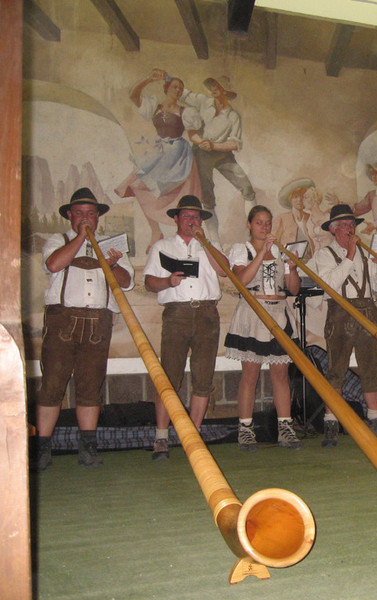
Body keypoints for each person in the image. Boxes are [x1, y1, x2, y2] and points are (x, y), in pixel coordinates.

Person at [35, 188, 134, 471]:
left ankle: (88, 448)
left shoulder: (112, 245)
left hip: (98, 322)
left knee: (91, 386)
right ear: (69, 215)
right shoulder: (58, 240)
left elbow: (126, 282)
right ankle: (42, 448)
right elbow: (54, 264)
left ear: (98, 216)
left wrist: (112, 264)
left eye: (91, 213)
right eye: (79, 213)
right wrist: (82, 237)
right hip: (62, 320)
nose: (85, 218)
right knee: (52, 385)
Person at [143, 195, 229, 460]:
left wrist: (205, 242)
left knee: (203, 377)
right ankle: (161, 437)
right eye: (187, 216)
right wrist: (168, 282)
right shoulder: (163, 246)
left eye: (196, 217)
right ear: (176, 219)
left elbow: (224, 271)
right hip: (176, 314)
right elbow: (148, 282)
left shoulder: (209, 245)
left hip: (207, 313)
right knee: (169, 376)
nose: (192, 221)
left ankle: (193, 436)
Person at [313, 204, 377, 447]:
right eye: (344, 225)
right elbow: (330, 285)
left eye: (352, 224)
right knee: (336, 370)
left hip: (368, 311)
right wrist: (350, 254)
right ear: (333, 229)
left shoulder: (364, 251)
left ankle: (376, 420)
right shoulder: (323, 254)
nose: (350, 229)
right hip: (340, 313)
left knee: (371, 368)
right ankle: (331, 424)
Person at [224, 205, 302, 450]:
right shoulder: (241, 249)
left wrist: (292, 269)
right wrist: (262, 253)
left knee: (280, 374)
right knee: (251, 373)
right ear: (249, 225)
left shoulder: (279, 250)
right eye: (259, 222)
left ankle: (285, 428)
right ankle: (245, 430)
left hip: (279, 312)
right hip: (253, 313)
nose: (265, 227)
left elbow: (293, 289)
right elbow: (241, 281)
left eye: (268, 222)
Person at [115, 68, 202, 253]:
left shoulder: (185, 112)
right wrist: (149, 79)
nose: (178, 90)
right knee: (137, 184)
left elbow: (193, 135)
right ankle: (156, 231)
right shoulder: (154, 107)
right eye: (175, 87)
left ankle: (188, 236)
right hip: (159, 153)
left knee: (183, 195)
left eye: (181, 89)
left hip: (178, 155)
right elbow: (133, 95)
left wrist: (203, 142)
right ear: (166, 88)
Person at [181, 76, 256, 239]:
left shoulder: (233, 116)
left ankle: (255, 234)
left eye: (218, 87)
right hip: (201, 152)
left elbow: (235, 144)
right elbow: (183, 94)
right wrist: (167, 78)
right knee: (207, 195)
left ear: (226, 91)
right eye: (212, 86)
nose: (214, 89)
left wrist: (214, 146)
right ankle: (215, 240)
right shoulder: (203, 102)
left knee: (246, 187)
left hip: (222, 153)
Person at [272, 177, 315, 258]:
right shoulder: (282, 219)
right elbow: (273, 244)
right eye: (295, 197)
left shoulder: (310, 218)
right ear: (290, 200)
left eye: (302, 197)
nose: (299, 200)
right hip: (288, 262)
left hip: (310, 261)